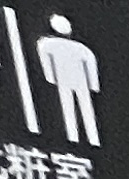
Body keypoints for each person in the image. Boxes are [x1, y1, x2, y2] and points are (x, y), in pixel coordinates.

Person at [35, 12, 100, 142]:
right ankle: (92, 137)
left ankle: (73, 135)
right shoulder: (81, 48)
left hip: (64, 79)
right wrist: (93, 85)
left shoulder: (47, 44)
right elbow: (91, 66)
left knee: (68, 106)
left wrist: (51, 78)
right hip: (80, 81)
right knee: (86, 107)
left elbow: (47, 63)